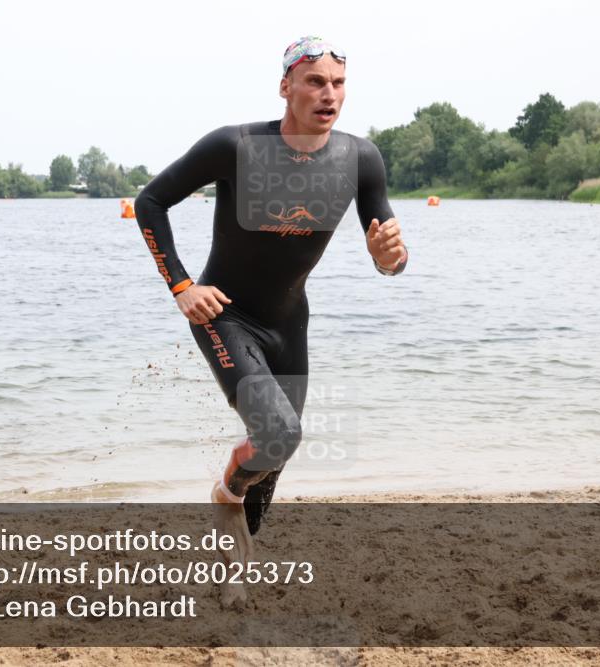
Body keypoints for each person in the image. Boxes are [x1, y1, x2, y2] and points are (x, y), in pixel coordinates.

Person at [134, 36, 408, 608]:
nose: (327, 94)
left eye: (337, 83)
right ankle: (222, 493)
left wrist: (390, 260)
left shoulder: (361, 158)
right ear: (286, 86)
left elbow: (391, 253)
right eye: (314, 81)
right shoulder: (235, 146)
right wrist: (182, 286)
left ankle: (231, 559)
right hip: (225, 315)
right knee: (280, 433)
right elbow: (150, 201)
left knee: (275, 463)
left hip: (289, 324)